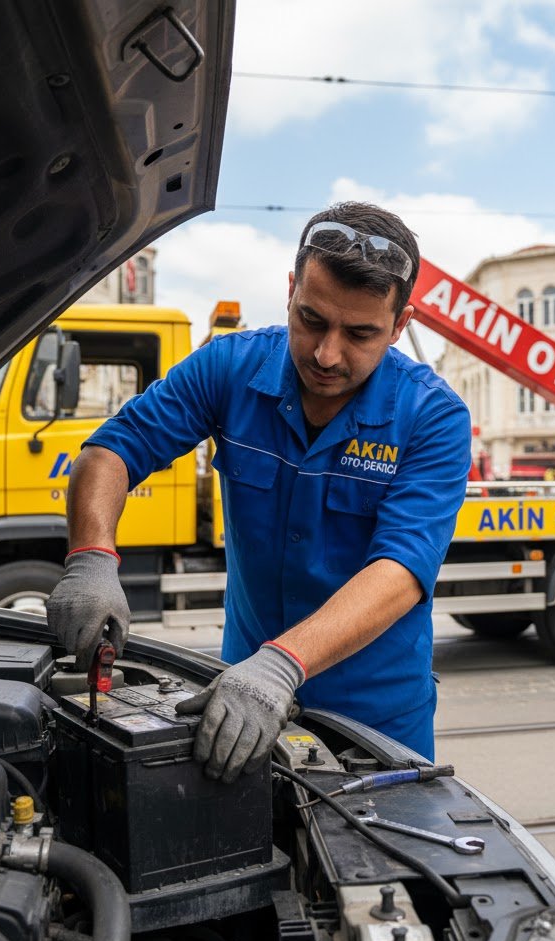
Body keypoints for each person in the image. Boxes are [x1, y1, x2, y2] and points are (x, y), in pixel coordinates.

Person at [46, 202, 472, 781]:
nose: (327, 354)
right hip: (239, 697)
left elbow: (400, 570)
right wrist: (91, 558)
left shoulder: (433, 416)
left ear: (401, 326)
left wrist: (283, 664)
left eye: (361, 334)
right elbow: (112, 450)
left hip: (376, 721)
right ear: (292, 288)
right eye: (312, 319)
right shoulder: (229, 367)